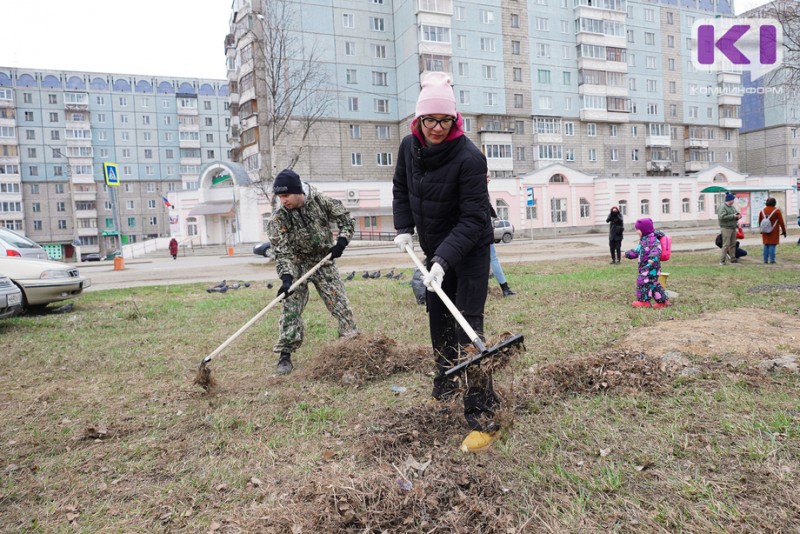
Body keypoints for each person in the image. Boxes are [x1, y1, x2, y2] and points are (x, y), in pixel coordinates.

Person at [392, 71, 500, 453]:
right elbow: (401, 187)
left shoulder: (469, 157)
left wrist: (443, 259)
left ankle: (482, 414)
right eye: (429, 120)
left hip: (468, 253)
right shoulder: (409, 147)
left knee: (467, 326)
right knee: (438, 318)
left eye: (444, 120)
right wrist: (404, 227)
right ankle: (446, 380)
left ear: (456, 120)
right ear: (417, 120)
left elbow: (474, 219)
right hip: (435, 249)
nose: (437, 127)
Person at [267, 168, 358, 375]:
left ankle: (352, 344)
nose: (283, 201)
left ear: (298, 191)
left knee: (340, 304)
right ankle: (285, 355)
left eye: (286, 195)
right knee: (291, 307)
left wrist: (341, 242)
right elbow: (282, 252)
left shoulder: (321, 201)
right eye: (280, 197)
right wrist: (287, 278)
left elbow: (347, 220)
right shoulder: (278, 218)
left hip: (323, 259)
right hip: (297, 262)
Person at [624, 217, 670, 308]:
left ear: (644, 230)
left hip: (650, 266)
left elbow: (657, 249)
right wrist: (627, 254)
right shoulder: (644, 240)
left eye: (638, 229)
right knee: (653, 284)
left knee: (642, 281)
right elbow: (637, 251)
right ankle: (662, 301)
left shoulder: (653, 240)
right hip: (648, 267)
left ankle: (643, 301)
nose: (637, 231)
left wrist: (652, 258)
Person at [758, 197, 787, 264]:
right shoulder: (777, 211)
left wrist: (762, 229)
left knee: (766, 244)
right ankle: (772, 260)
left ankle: (765, 260)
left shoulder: (762, 211)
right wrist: (784, 231)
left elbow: (760, 221)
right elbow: (781, 222)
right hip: (773, 231)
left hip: (764, 231)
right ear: (774, 203)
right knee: (772, 245)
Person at [716, 192, 742, 265]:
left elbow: (736, 214)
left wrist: (739, 216)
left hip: (733, 227)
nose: (734, 201)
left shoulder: (732, 207)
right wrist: (733, 216)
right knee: (726, 244)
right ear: (730, 200)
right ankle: (722, 260)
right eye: (733, 200)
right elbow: (722, 217)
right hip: (726, 228)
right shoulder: (723, 207)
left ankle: (733, 259)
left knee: (733, 244)